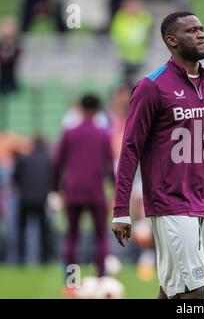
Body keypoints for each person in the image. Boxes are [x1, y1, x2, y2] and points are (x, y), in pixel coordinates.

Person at [111, 11, 204, 299]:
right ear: (172, 41)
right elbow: (130, 149)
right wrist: (121, 210)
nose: (201, 34)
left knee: (173, 292)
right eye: (191, 31)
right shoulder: (151, 87)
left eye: (202, 29)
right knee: (195, 292)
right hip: (170, 204)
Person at [52, 94, 115, 296]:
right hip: (96, 192)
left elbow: (57, 164)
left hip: (73, 191)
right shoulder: (104, 134)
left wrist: (55, 189)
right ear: (98, 110)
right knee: (101, 237)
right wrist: (116, 191)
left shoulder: (69, 133)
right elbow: (109, 166)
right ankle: (101, 279)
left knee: (72, 237)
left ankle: (72, 282)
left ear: (79, 108)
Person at [14, 134, 53, 265]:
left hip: (25, 199)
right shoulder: (48, 160)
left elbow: (15, 179)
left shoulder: (23, 160)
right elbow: (52, 179)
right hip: (42, 200)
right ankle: (45, 258)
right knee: (44, 231)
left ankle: (20, 258)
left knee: (21, 230)